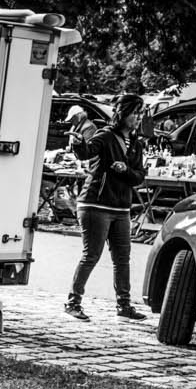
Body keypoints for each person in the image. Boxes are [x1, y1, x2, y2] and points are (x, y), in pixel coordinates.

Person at [66, 92, 148, 321]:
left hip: (121, 208)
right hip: (95, 204)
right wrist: (78, 143)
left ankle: (124, 306)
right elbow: (86, 152)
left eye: (140, 113)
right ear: (122, 114)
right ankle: (73, 302)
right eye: (134, 113)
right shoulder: (105, 136)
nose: (137, 118)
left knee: (122, 258)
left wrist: (127, 171)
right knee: (91, 255)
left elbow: (139, 176)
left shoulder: (136, 145)